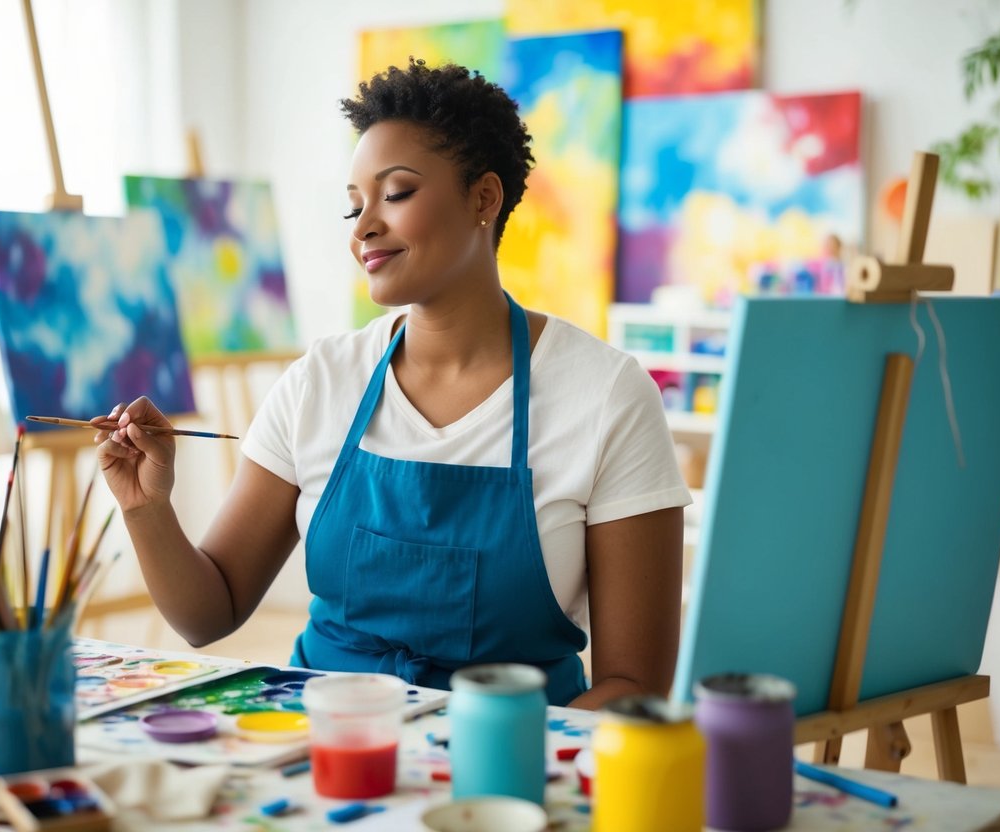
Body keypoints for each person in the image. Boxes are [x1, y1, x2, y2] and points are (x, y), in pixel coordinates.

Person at [93, 59, 690, 709]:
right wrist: (146, 507)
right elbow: (208, 614)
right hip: (323, 740)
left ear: (483, 198)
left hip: (505, 772)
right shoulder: (319, 380)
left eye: (396, 193)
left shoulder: (605, 394)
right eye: (353, 205)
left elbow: (635, 686)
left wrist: (488, 756)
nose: (363, 226)